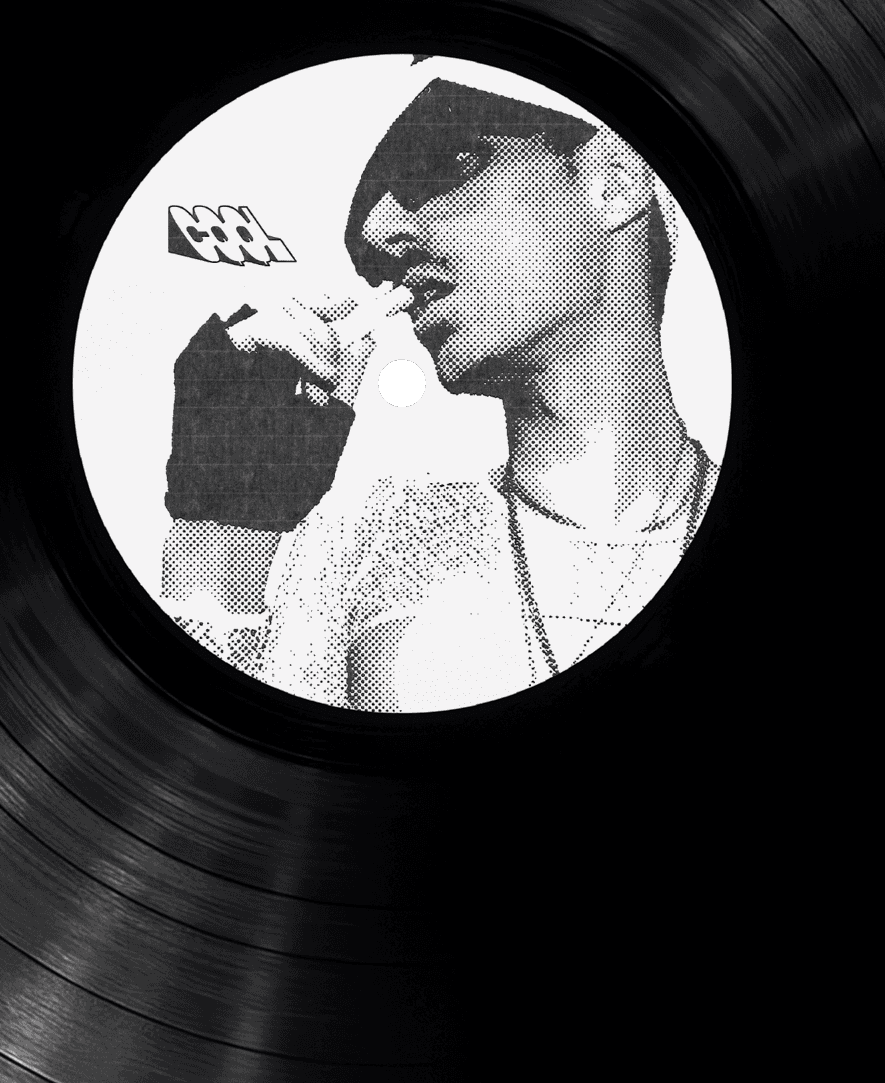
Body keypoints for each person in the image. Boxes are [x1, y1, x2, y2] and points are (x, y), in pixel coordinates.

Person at [160, 74, 718, 712]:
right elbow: (205, 750)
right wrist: (225, 515)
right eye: (365, 240)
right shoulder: (372, 539)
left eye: (450, 162)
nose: (379, 232)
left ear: (611, 182)